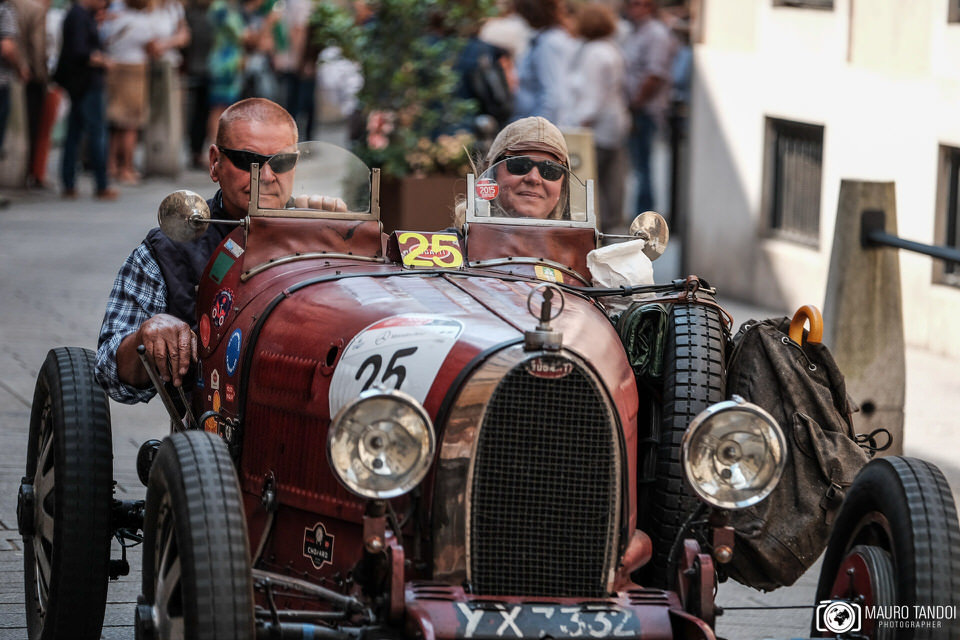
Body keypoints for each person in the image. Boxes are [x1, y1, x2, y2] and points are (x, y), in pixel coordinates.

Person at [95, 97, 299, 403]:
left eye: (282, 162)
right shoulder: (168, 249)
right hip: (210, 422)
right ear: (215, 162)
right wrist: (147, 335)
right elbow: (109, 373)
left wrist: (344, 234)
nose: (268, 177)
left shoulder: (330, 236)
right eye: (248, 161)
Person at [559, 3, 629, 232]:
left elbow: (593, 96)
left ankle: (597, 232)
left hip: (595, 130)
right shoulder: (610, 49)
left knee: (591, 185)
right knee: (611, 184)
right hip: (613, 125)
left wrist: (578, 124)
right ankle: (610, 228)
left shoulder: (594, 53)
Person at [56, 0, 118, 199]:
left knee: (75, 133)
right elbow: (80, 51)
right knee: (96, 133)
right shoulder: (79, 16)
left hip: (80, 83)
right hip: (87, 83)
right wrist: (103, 60)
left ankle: (69, 182)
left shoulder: (81, 15)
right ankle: (101, 183)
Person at [458, 115, 570, 224]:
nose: (534, 178)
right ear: (491, 172)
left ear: (563, 185)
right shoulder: (460, 237)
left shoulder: (578, 236)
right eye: (519, 164)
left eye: (550, 169)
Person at [620, 0, 671, 214]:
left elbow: (654, 74)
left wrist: (637, 103)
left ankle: (644, 216)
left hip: (645, 110)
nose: (634, 9)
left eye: (639, 4)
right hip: (633, 108)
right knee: (637, 166)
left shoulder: (656, 34)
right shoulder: (634, 32)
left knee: (643, 166)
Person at [511, 0, 576, 123]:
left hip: (540, 125)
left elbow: (553, 96)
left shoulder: (548, 43)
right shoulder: (545, 39)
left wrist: (537, 129)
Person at [10, 0, 47, 189]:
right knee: (30, 126)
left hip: (12, 73)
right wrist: (40, 75)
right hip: (26, 75)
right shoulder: (35, 9)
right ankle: (24, 173)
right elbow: (37, 45)